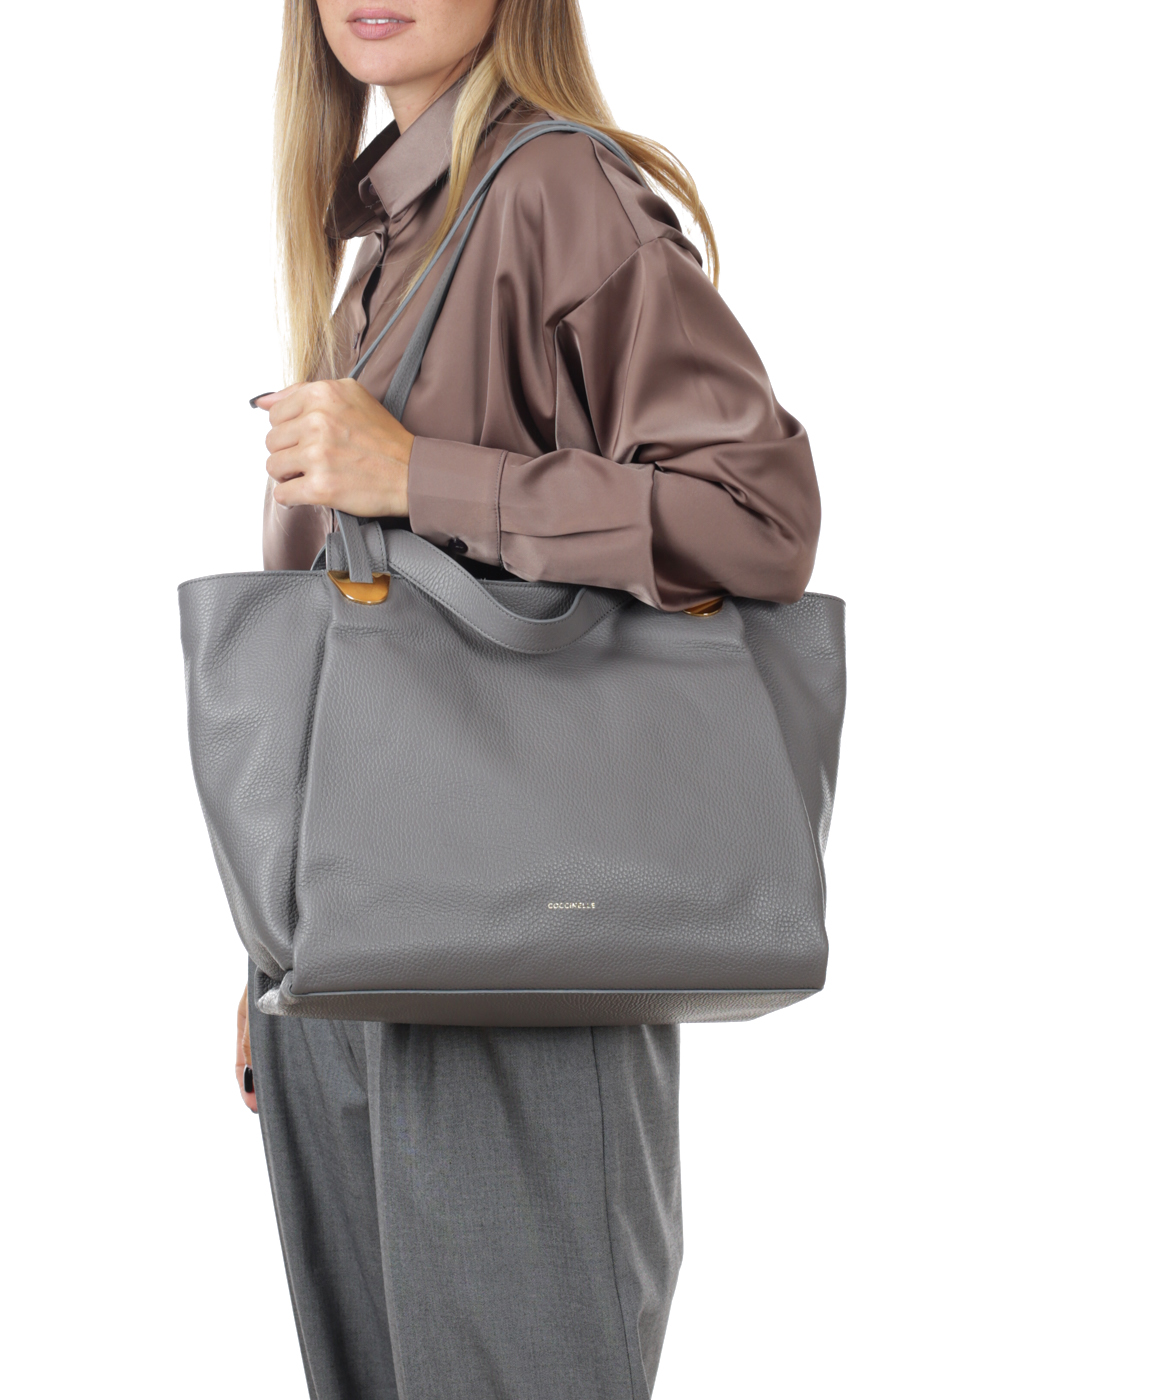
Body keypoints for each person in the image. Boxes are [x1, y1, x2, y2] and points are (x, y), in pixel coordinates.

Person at [235, 2, 820, 1396]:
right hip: (351, 958)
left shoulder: (555, 189)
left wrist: (416, 476)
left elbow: (759, 515)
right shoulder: (382, 237)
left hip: (523, 951)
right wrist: (271, 942)